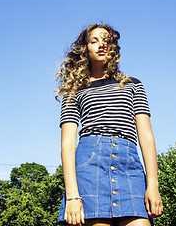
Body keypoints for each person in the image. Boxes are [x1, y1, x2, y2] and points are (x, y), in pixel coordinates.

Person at [55, 24, 163, 226]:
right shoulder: (74, 90)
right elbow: (67, 144)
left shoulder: (133, 84)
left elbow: (146, 136)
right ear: (84, 49)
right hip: (89, 167)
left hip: (129, 166)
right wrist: (72, 196)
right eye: (94, 41)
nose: (101, 45)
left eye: (106, 40)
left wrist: (153, 184)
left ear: (114, 47)